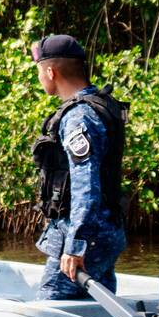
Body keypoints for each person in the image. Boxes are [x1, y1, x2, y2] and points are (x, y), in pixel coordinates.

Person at [29, 35, 129, 300]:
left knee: (50, 310)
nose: (39, 78)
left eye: (39, 71)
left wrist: (76, 246)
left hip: (84, 239)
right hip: (107, 233)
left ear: (51, 72)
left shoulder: (78, 117)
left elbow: (86, 185)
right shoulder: (103, 105)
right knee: (97, 310)